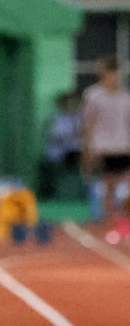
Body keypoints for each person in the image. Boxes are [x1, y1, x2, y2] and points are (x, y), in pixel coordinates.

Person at [82, 56, 130, 223]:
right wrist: (87, 149)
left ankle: (124, 218)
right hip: (103, 147)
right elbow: (88, 124)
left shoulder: (125, 97)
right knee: (109, 185)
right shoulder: (93, 96)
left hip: (123, 146)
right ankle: (108, 219)